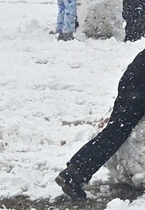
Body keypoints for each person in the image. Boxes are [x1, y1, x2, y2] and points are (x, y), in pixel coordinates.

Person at [56, 49, 145, 201]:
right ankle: (75, 173)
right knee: (116, 132)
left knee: (115, 131)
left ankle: (76, 171)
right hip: (137, 86)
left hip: (134, 82)